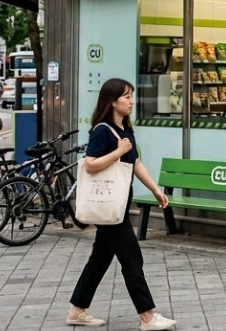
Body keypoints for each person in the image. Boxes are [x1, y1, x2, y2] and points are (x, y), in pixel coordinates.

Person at [67, 78, 176, 330]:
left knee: (100, 258)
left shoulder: (125, 129)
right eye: (127, 97)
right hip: (108, 206)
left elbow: (135, 163)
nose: (131, 101)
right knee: (132, 258)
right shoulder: (102, 130)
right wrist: (118, 151)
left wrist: (155, 190)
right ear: (113, 101)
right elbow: (90, 164)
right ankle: (147, 316)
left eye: (131, 96)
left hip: (117, 204)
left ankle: (77, 310)